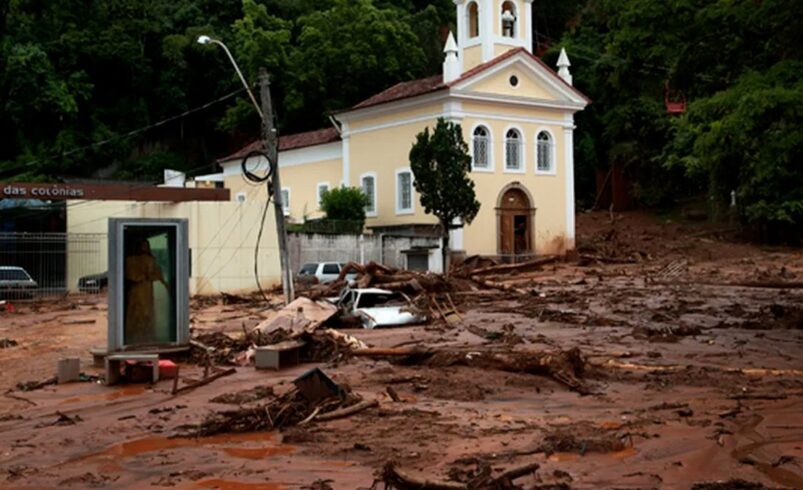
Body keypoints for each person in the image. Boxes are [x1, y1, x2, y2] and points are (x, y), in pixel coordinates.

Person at [124, 239, 168, 345]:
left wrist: (163, 282)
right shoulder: (133, 260)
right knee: (139, 313)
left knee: (144, 313)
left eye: (145, 246)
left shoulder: (147, 260)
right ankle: (137, 337)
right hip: (139, 290)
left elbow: (155, 273)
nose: (144, 248)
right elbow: (133, 274)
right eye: (143, 246)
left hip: (144, 290)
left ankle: (143, 337)